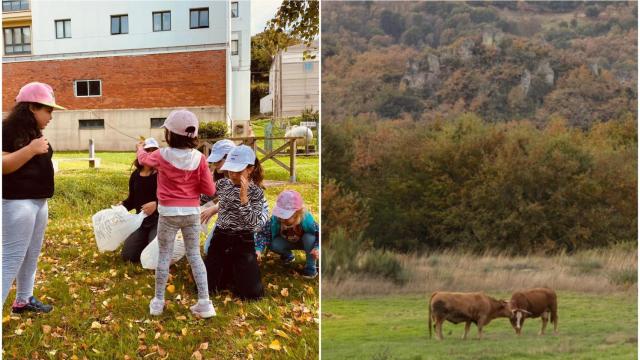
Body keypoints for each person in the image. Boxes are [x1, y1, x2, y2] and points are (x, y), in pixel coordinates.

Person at [136, 109, 216, 318]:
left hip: (168, 214)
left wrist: (139, 149)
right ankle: (205, 303)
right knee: (194, 256)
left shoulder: (161, 155)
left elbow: (144, 159)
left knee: (164, 256)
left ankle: (158, 302)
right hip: (191, 213)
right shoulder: (199, 158)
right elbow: (209, 190)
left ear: (169, 134)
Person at [2, 82, 65, 313]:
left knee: (31, 255)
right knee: (10, 259)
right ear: (31, 108)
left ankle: (23, 299)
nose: (51, 116)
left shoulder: (34, 134)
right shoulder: (6, 130)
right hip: (17, 204)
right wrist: (31, 150)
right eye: (47, 110)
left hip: (38, 203)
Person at [204, 145, 268, 300]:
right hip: (221, 237)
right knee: (208, 287)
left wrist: (244, 200)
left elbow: (255, 224)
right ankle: (227, 271)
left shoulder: (257, 193)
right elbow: (203, 197)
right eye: (230, 170)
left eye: (238, 171)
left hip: (243, 240)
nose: (232, 174)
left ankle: (236, 271)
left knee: (252, 295)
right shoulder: (222, 185)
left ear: (250, 169)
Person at [256, 190, 319, 278]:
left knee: (310, 238)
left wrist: (317, 248)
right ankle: (288, 255)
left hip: (306, 243)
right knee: (273, 243)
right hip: (288, 241)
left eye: (286, 215)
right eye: (280, 214)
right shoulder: (276, 220)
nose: (282, 218)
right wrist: (258, 249)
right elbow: (264, 234)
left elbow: (318, 234)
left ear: (298, 213)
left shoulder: (306, 219)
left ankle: (311, 268)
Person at [120, 138, 160, 263]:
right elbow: (132, 200)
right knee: (128, 256)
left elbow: (172, 199)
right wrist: (121, 206)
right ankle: (144, 242)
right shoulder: (135, 175)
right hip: (141, 221)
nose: (151, 153)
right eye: (147, 150)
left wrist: (157, 204)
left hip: (159, 220)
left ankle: (161, 241)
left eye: (154, 151)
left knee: (155, 257)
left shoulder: (162, 174)